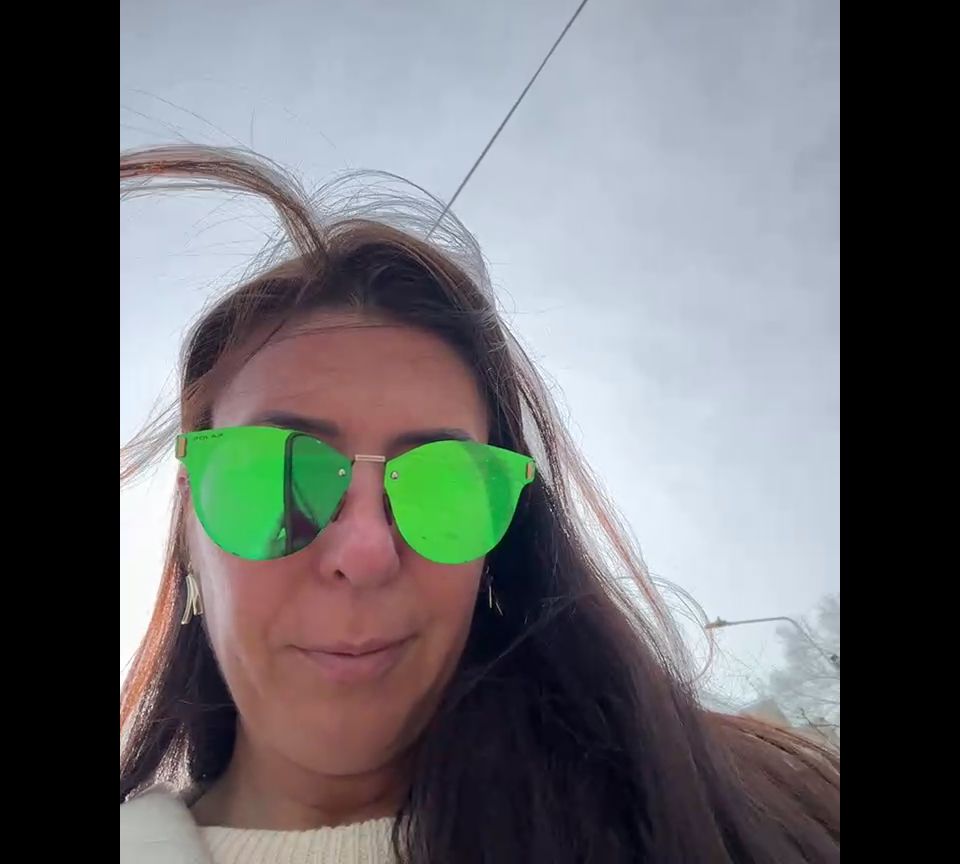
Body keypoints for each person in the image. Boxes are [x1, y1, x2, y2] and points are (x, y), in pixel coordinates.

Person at [120, 146, 840, 864]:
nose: (365, 552)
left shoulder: (749, 815)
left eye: (446, 488)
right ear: (189, 532)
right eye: (278, 480)